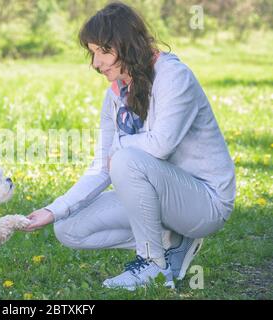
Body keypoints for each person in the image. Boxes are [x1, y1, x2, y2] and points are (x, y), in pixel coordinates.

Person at [23, 1, 236, 291]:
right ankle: (170, 242)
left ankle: (152, 265)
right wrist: (54, 209)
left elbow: (159, 145)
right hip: (162, 196)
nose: (96, 64)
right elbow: (102, 165)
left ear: (127, 44)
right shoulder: (115, 96)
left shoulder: (174, 77)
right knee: (68, 228)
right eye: (92, 52)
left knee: (125, 159)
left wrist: (119, 148)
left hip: (205, 203)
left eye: (103, 51)